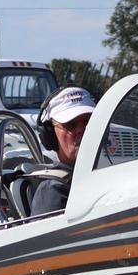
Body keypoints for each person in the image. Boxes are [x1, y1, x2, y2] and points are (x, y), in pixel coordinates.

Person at [27, 86, 95, 216]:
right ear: (50, 135)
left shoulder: (109, 174)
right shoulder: (53, 190)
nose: (82, 130)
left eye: (89, 121)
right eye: (70, 124)